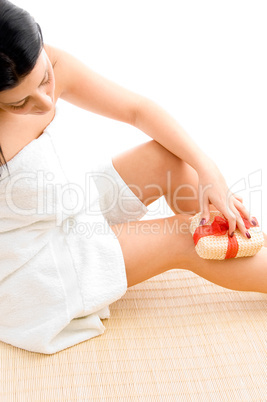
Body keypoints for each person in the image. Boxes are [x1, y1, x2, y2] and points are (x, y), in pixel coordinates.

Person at [0, 0, 266, 354]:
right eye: (20, 104)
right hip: (32, 265)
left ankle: (224, 236)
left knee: (167, 159)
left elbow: (136, 110)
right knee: (184, 237)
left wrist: (209, 171)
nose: (46, 104)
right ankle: (209, 247)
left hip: (60, 205)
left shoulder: (40, 58)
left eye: (46, 80)